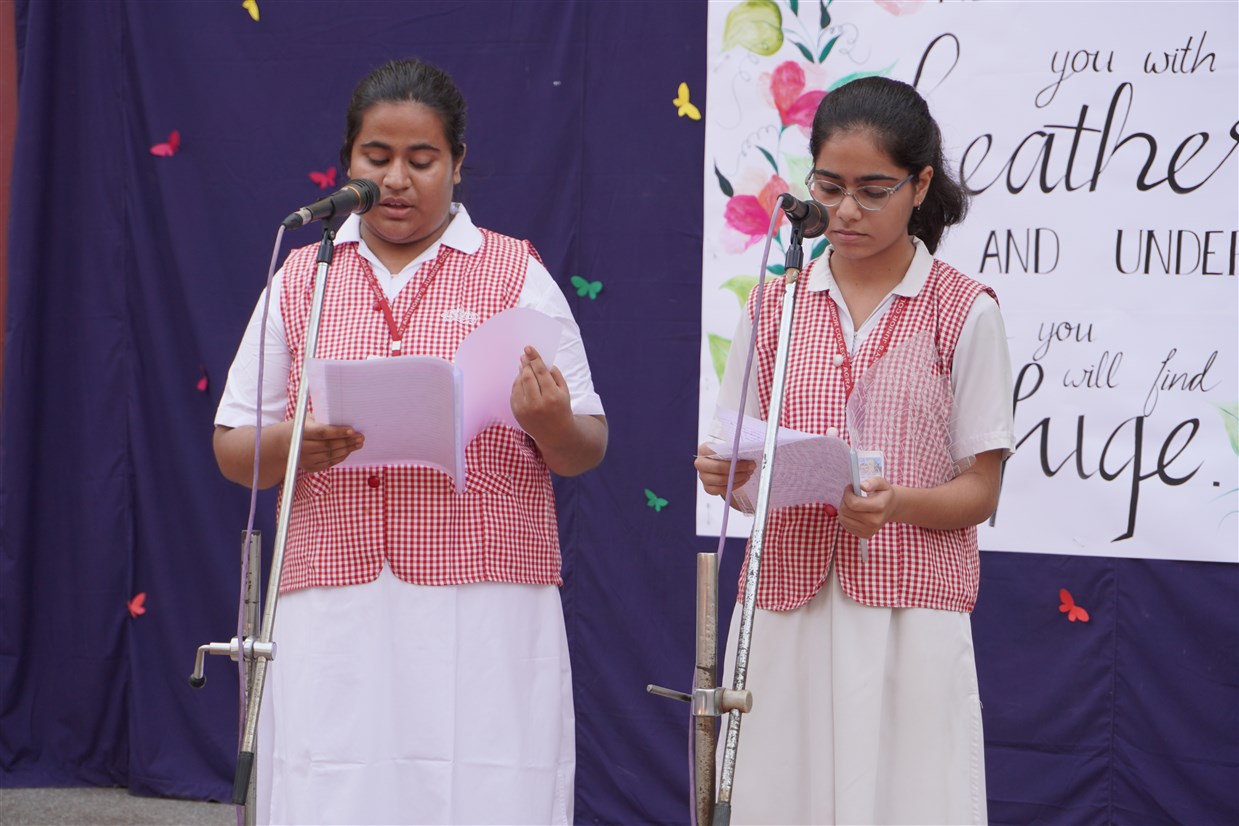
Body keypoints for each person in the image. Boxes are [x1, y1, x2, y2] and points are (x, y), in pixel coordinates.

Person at [213, 58, 607, 824]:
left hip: (484, 593)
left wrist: (549, 421)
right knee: (336, 782)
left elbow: (585, 445)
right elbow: (234, 448)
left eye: (421, 160)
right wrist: (294, 443)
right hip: (333, 589)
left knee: (481, 781)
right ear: (347, 163)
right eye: (377, 157)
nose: (396, 180)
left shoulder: (515, 272)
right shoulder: (302, 277)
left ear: (458, 163)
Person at [695, 76, 1014, 824]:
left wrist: (895, 505)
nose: (844, 211)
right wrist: (725, 474)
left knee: (906, 801)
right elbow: (744, 468)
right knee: (779, 799)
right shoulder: (773, 304)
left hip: (909, 613)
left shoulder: (964, 311)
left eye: (873, 191)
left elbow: (981, 490)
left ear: (919, 185)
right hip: (784, 605)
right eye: (829, 187)